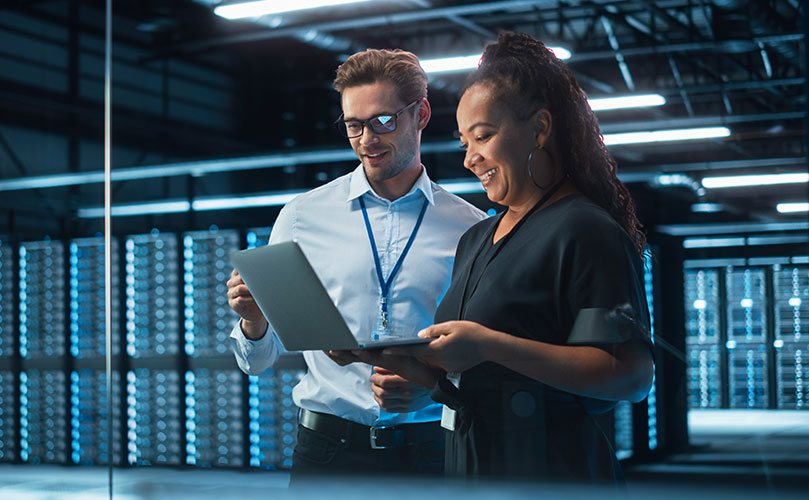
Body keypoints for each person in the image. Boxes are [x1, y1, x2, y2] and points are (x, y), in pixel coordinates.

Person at [353, 32, 655, 483]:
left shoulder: (585, 231)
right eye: (464, 144)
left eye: (484, 137)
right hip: (472, 469)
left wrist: (488, 344)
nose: (470, 159)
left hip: (553, 474)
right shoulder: (476, 238)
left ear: (539, 128)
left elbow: (629, 376)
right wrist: (421, 379)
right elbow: (482, 378)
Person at [226, 48, 486, 480]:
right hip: (326, 454)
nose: (367, 140)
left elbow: (484, 355)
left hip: (432, 454)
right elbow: (257, 361)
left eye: (383, 121)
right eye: (353, 125)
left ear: (420, 114)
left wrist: (433, 388)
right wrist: (255, 322)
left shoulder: (471, 228)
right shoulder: (301, 217)